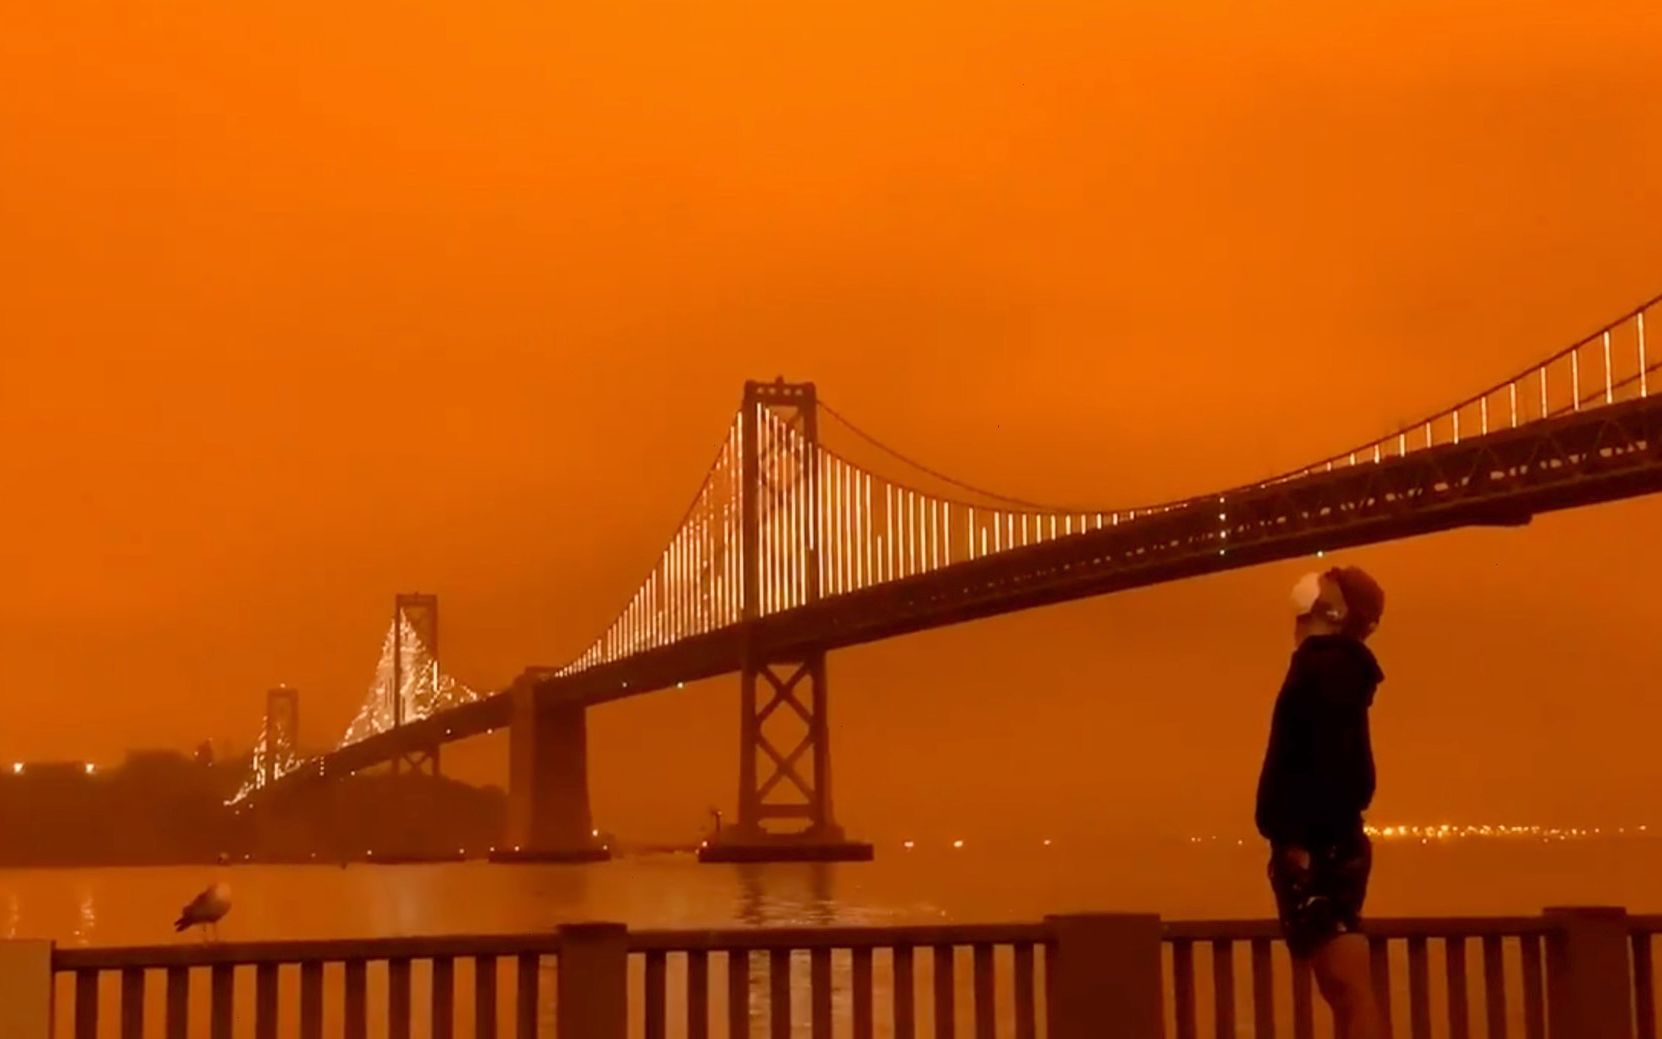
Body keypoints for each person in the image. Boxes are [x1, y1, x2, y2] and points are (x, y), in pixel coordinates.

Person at [1256, 565, 1387, 1039]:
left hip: (1318, 843)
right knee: (1343, 987)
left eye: (1323, 590)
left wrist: (1304, 842)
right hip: (1326, 840)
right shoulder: (1335, 665)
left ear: (1336, 611)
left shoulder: (1326, 666)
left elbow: (1338, 767)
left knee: (1347, 986)